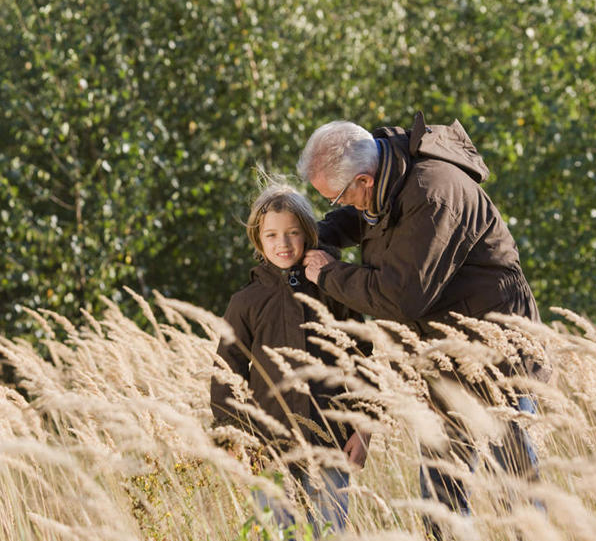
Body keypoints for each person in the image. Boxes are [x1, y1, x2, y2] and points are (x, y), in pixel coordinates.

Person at [297, 112, 550, 539]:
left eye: (338, 196)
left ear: (365, 180)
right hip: (443, 367)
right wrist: (306, 239)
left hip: (500, 362)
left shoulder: (434, 195)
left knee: (517, 496)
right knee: (441, 504)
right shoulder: (388, 177)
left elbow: (399, 296)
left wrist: (326, 274)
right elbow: (358, 220)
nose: (338, 205)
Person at [211, 183, 370, 536]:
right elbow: (226, 372)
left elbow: (362, 359)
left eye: (292, 233)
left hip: (331, 444)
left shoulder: (332, 290)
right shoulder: (247, 302)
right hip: (268, 451)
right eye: (272, 235)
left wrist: (364, 428)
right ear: (258, 240)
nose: (282, 244)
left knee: (328, 533)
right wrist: (236, 440)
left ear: (308, 234)